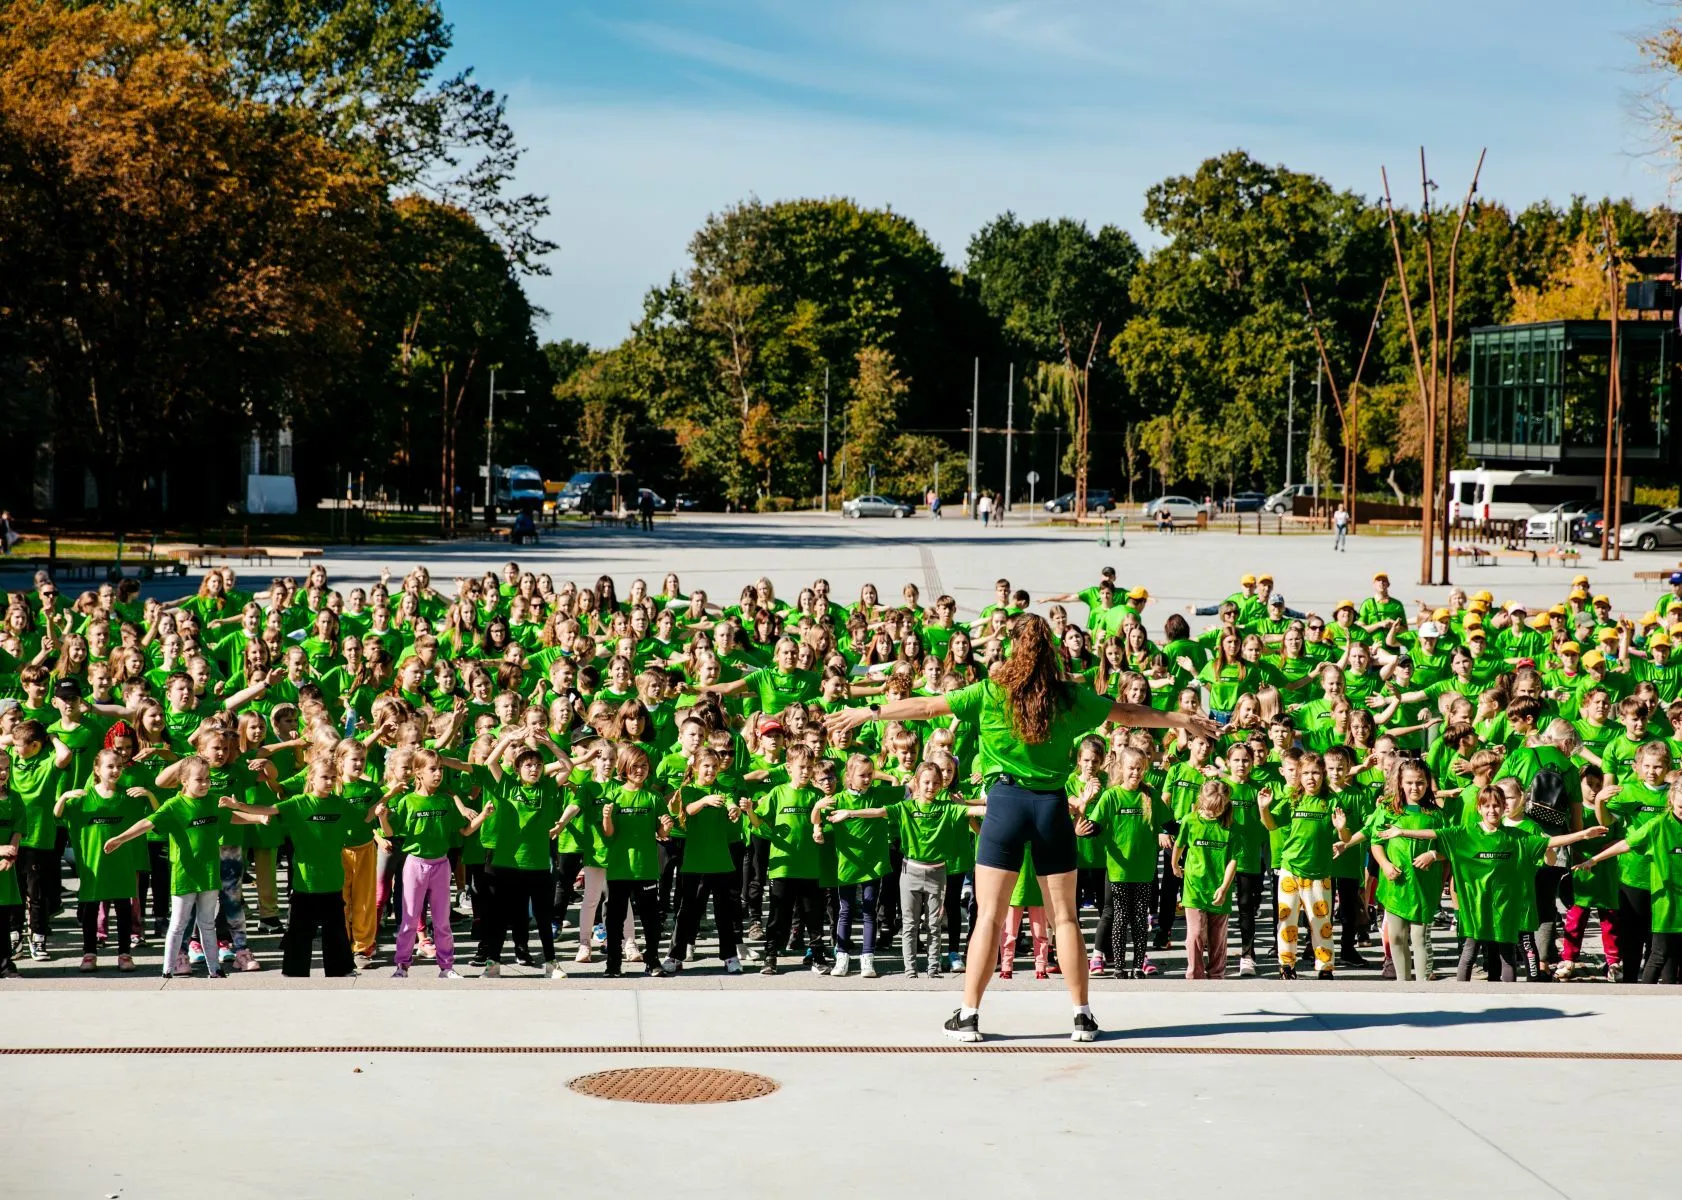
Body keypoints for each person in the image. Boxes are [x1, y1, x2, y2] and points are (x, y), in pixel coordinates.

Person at [823, 613, 1218, 1043]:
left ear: (1012, 647)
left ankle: (969, 1016)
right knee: (1065, 918)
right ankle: (1081, 1017)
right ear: (1051, 649)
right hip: (1051, 808)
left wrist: (868, 711)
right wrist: (1182, 720)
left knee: (989, 917)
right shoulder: (1069, 696)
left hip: (1005, 806)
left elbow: (925, 706)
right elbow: (1126, 713)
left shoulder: (991, 690)